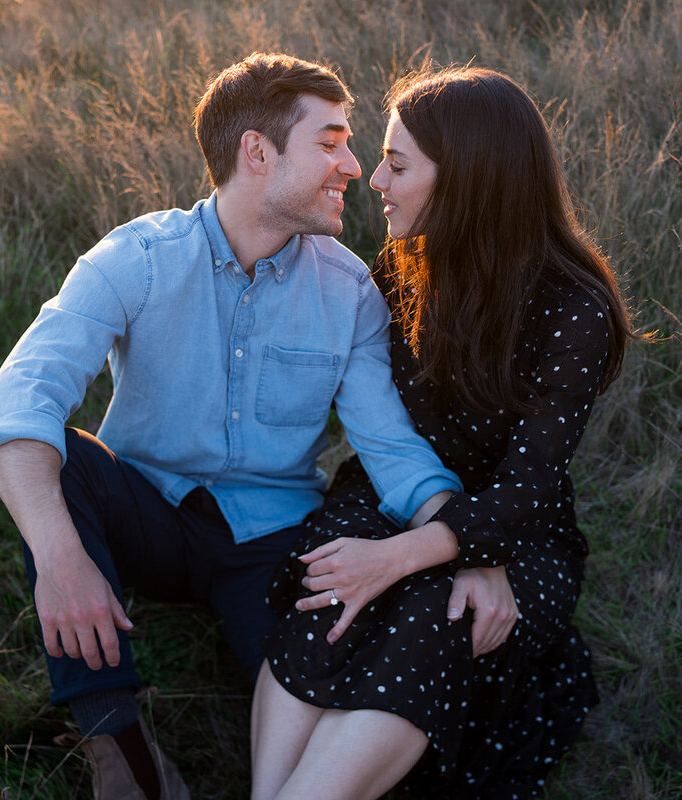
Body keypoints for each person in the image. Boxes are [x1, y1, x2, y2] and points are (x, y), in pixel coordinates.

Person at [0, 53, 467, 800]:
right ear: (257, 152)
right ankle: (121, 752)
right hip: (144, 512)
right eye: (329, 142)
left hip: (269, 542)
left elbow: (392, 449)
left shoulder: (351, 293)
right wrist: (61, 557)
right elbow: (17, 404)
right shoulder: (136, 258)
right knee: (61, 460)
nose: (354, 166)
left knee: (318, 691)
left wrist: (464, 540)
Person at [252, 66, 639, 800]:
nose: (374, 180)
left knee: (436, 612)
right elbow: (376, 424)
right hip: (392, 491)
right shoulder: (402, 266)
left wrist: (446, 553)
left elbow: (528, 486)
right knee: (330, 586)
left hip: (518, 528)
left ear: (467, 178)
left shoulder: (574, 307)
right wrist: (388, 550)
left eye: (397, 165)